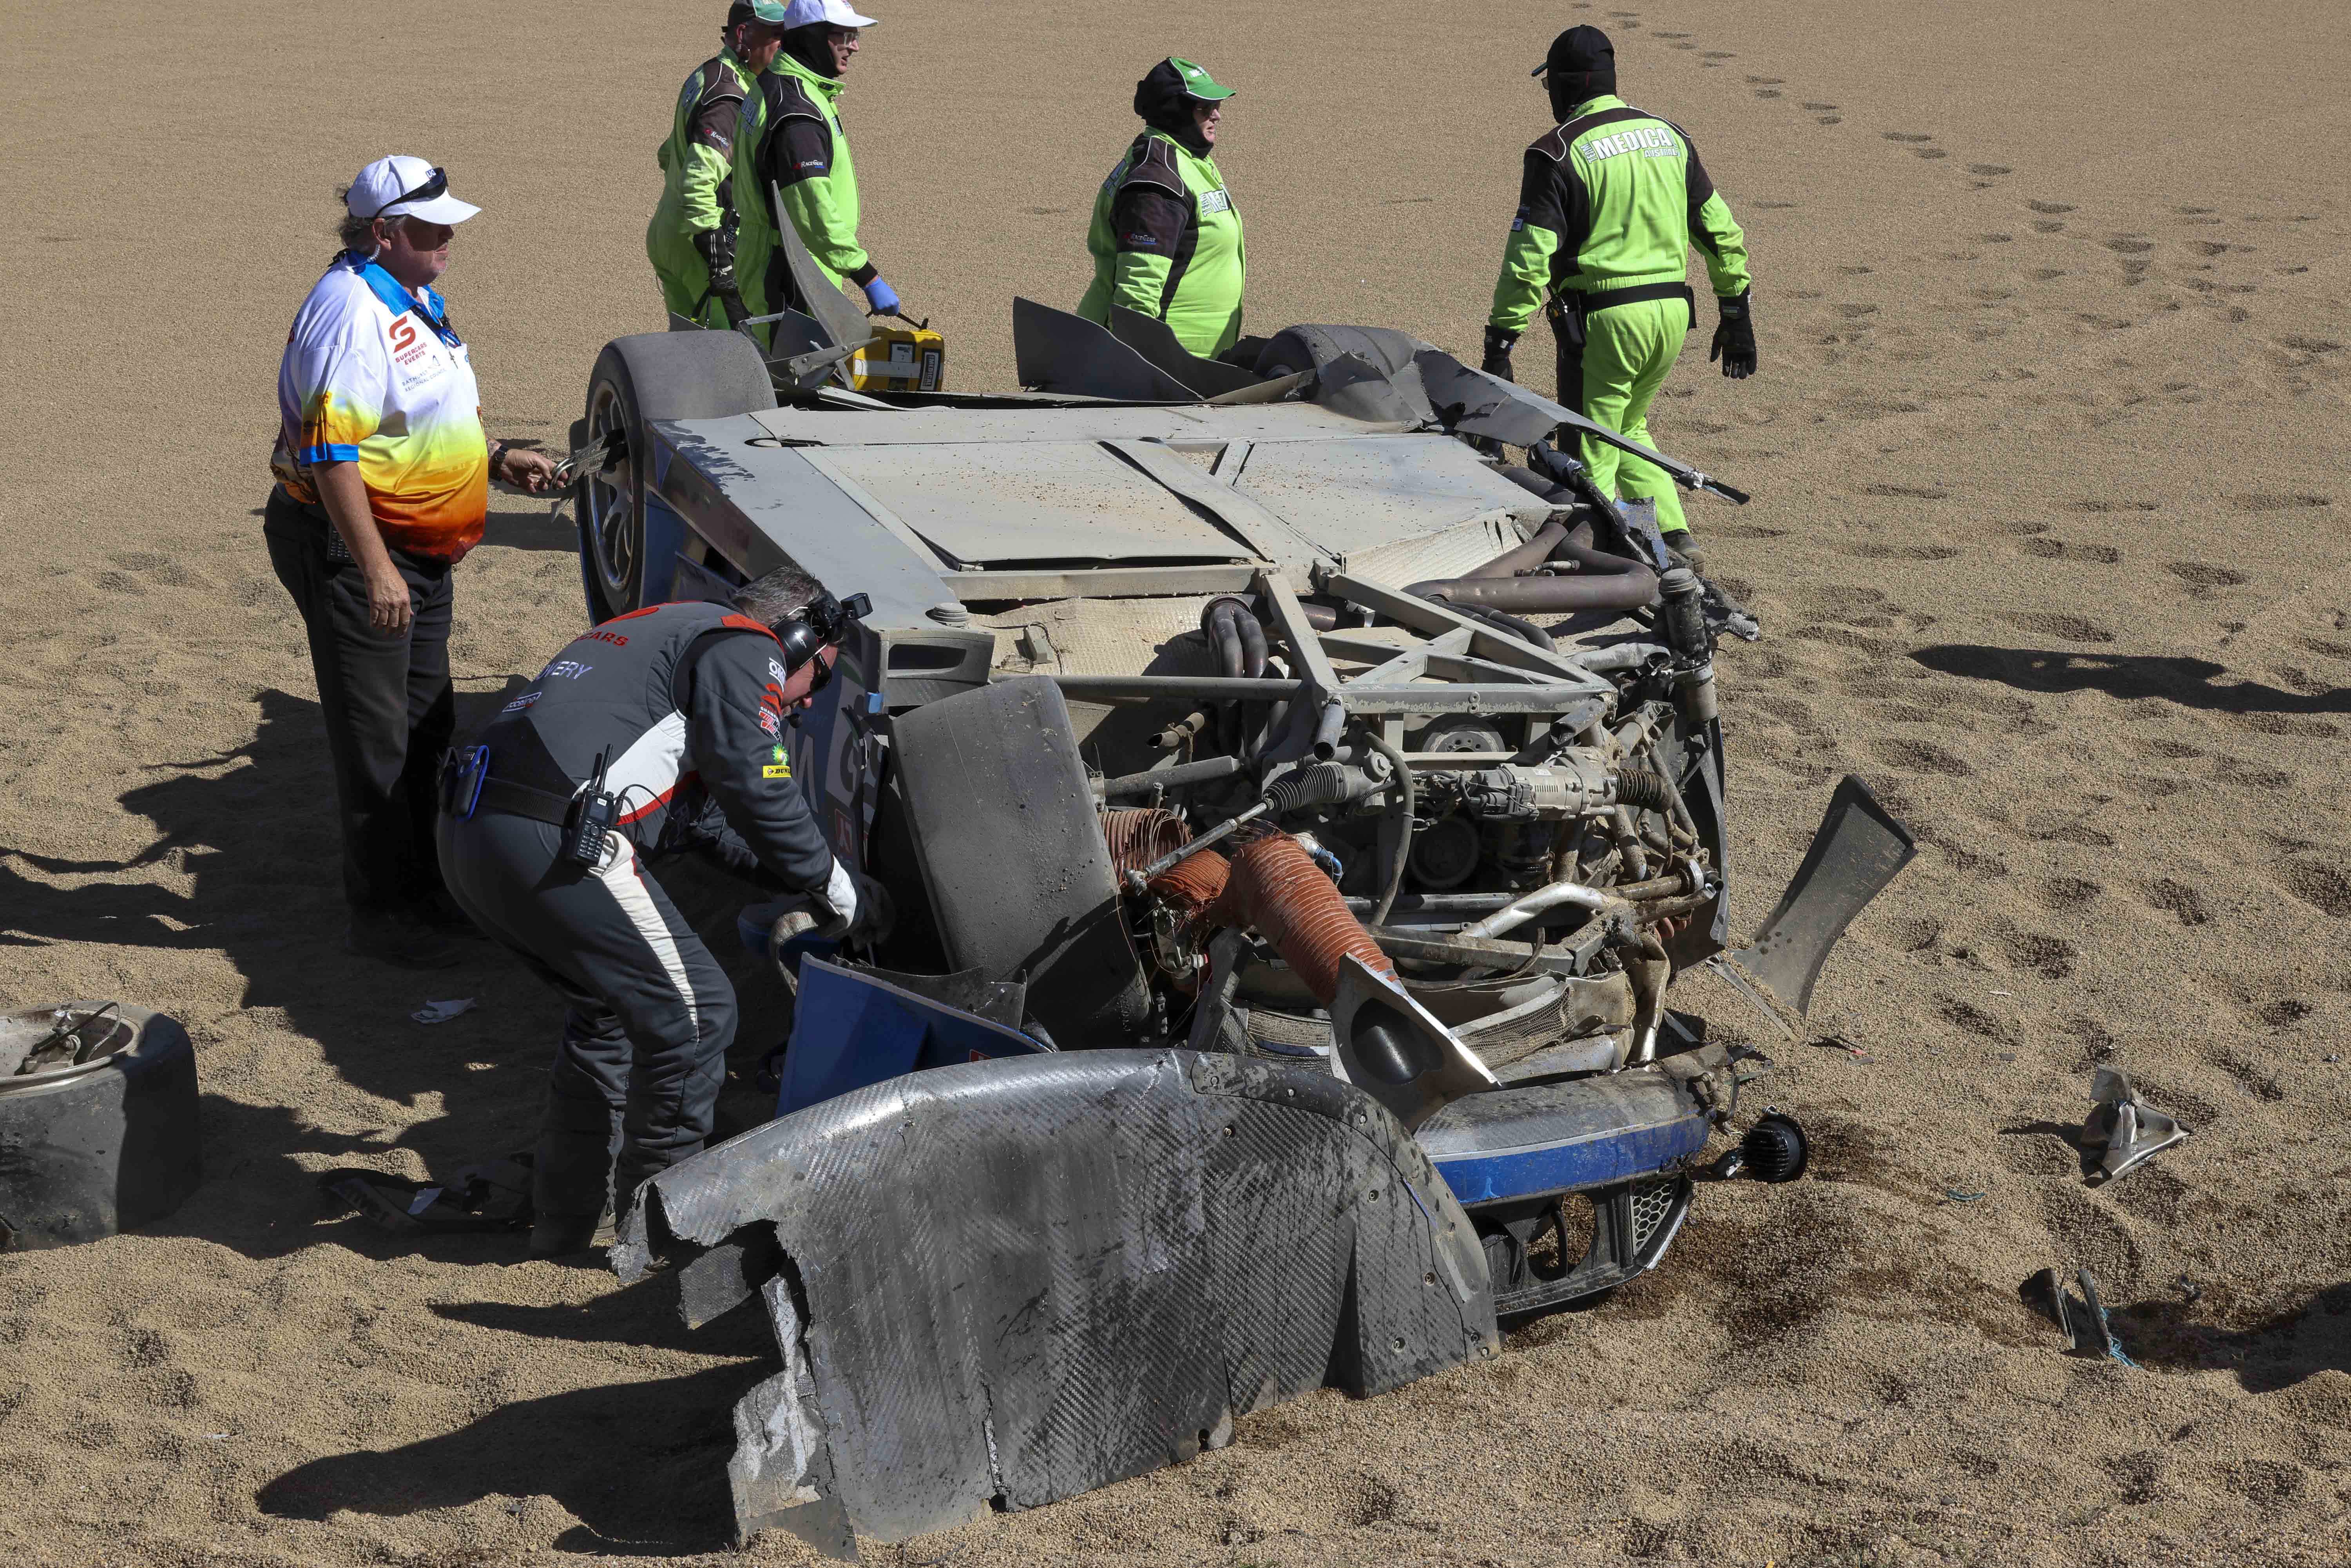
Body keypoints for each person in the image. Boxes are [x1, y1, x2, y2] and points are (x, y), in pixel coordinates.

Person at [435, 569, 886, 1256]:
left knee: (609, 1015)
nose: (800, 706)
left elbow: (707, 827)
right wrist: (832, 884)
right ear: (797, 635)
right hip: (553, 833)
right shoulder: (746, 645)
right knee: (699, 1017)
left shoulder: (670, 637)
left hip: (474, 830)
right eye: (817, 679)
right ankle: (662, 1246)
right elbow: (751, 773)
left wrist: (813, 879)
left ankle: (563, 1223)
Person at [267, 156, 558, 970]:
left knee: (427, 722)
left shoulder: (410, 293)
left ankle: (429, 887)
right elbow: (329, 454)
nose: (450, 241)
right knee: (377, 738)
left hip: (415, 551)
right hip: (363, 551)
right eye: (433, 229)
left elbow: (415, 411)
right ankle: (384, 913)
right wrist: (375, 570)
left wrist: (495, 456)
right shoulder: (351, 311)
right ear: (384, 231)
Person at [1483, 26, 1754, 554]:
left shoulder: (1557, 152)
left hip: (1605, 322)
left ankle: (1606, 556)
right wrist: (1735, 308)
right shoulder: (1669, 136)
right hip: (1673, 315)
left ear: (1566, 87)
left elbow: (1529, 257)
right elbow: (1720, 230)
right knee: (1628, 426)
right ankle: (1673, 537)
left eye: (1550, 89)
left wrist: (1501, 342)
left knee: (1590, 445)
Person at [733, 0, 897, 344]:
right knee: (788, 375)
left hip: (782, 263)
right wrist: (867, 277)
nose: (854, 46)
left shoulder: (776, 84)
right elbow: (812, 209)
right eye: (845, 36)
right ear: (812, 37)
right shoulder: (797, 113)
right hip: (791, 271)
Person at [1078, 57, 1246, 359]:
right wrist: (1134, 370)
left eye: (1217, 105)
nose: (1217, 115)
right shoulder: (1157, 183)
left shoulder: (1189, 160)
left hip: (1192, 363)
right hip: (1164, 366)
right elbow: (1137, 292)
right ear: (1175, 112)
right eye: (1205, 108)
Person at [646, 2, 790, 328]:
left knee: (686, 348)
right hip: (698, 244)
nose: (785, 45)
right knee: (729, 355)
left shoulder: (707, 73)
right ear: (744, 34)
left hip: (668, 231)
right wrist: (718, 261)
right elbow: (698, 181)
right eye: (777, 35)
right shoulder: (731, 96)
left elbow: (667, 154)